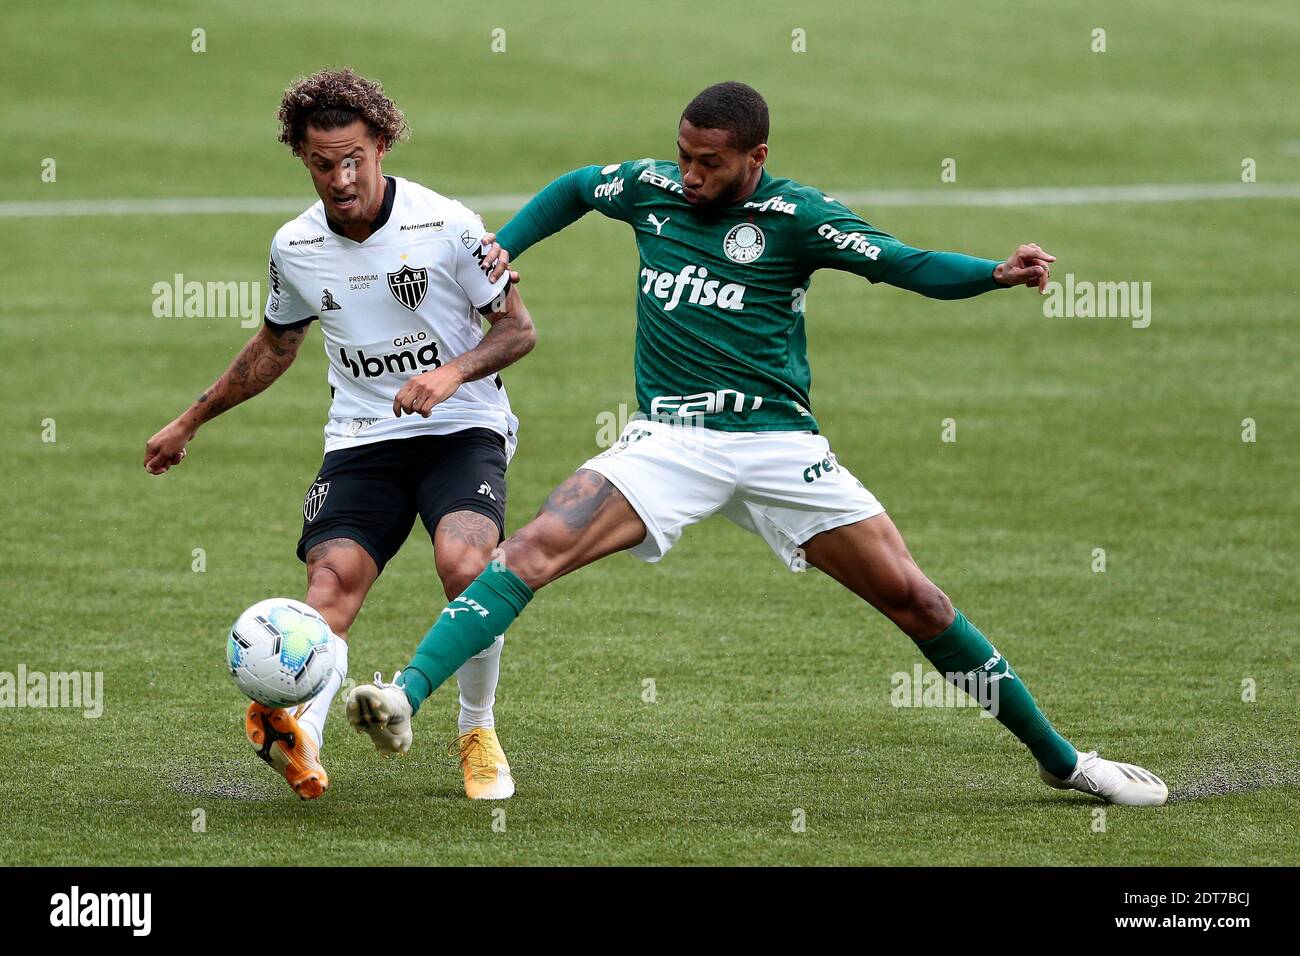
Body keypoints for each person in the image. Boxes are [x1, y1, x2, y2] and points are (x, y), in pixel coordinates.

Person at [346, 81, 1167, 806]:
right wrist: (508, 245)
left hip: (780, 447)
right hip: (671, 440)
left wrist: (994, 272)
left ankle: (1064, 764)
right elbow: (574, 188)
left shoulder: (796, 217)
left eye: (707, 163)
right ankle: (404, 699)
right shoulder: (651, 189)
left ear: (755, 157)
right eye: (682, 157)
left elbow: (902, 264)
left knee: (918, 601)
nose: (689, 176)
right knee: (528, 551)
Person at [145, 69, 534, 800]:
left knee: (465, 566)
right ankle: (304, 738)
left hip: (463, 427)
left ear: (382, 144)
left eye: (354, 158)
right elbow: (274, 347)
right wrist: (190, 419)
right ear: (302, 157)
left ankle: (476, 729)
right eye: (324, 163)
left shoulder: (446, 224)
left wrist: (453, 374)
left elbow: (518, 330)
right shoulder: (295, 245)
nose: (341, 177)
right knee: (331, 586)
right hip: (363, 437)